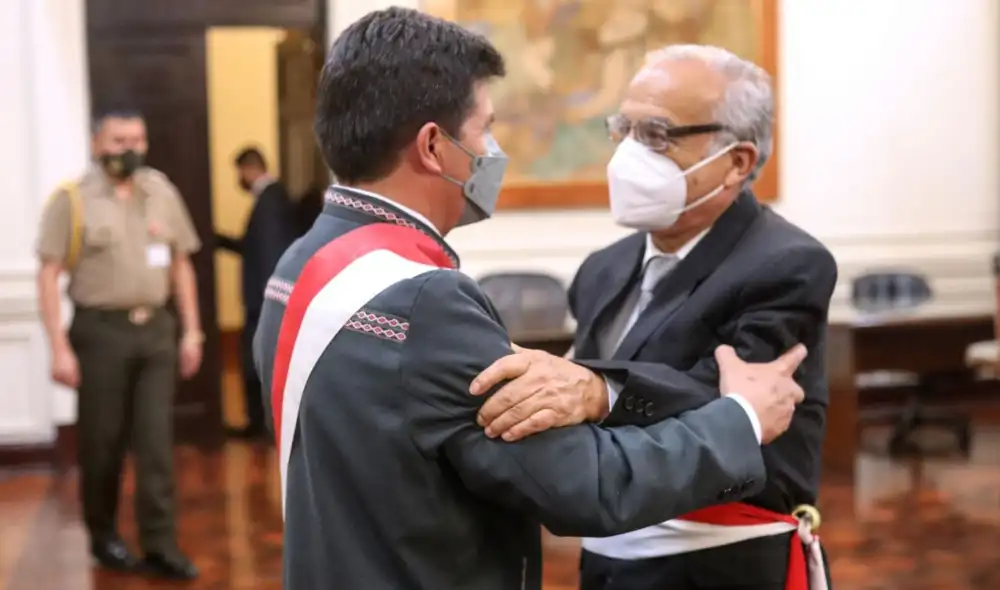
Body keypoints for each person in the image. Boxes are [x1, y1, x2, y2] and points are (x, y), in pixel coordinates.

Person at [253, 8, 808, 590]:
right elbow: (589, 484)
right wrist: (740, 419)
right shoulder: (426, 305)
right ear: (434, 147)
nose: (493, 150)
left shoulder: (298, 266)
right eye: (484, 130)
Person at [472, 46, 837, 590]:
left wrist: (602, 391)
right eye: (623, 129)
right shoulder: (603, 269)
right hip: (606, 553)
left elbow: (738, 403)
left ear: (737, 161)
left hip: (717, 565)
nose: (627, 153)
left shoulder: (787, 264)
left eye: (657, 135)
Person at [35, 108, 203, 580]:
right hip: (100, 334)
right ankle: (103, 535)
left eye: (136, 139)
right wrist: (58, 348)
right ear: (96, 144)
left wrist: (192, 330)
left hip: (156, 333)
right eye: (117, 140)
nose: (128, 148)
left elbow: (181, 263)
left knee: (155, 444)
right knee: (102, 443)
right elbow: (48, 273)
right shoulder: (72, 200)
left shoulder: (161, 192)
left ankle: (160, 544)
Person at [216, 146, 298, 440]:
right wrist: (221, 241)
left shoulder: (271, 200)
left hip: (263, 301)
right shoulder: (270, 199)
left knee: (258, 363)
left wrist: (268, 302)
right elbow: (253, 247)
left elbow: (268, 254)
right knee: (254, 361)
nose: (239, 179)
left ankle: (261, 427)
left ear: (250, 169)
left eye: (239, 172)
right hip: (264, 299)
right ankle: (257, 424)